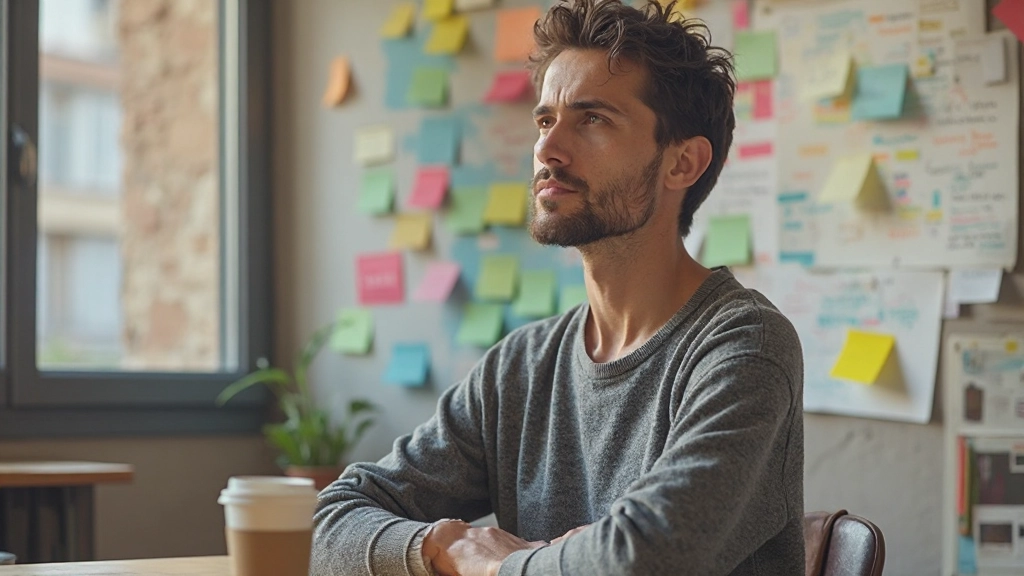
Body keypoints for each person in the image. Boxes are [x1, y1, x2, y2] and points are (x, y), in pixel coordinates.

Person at [311, 1, 804, 574]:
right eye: (546, 120)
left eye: (593, 119)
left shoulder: (744, 346)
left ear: (682, 163)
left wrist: (496, 567)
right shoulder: (521, 367)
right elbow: (331, 520)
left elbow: (644, 557)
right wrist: (445, 547)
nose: (548, 149)